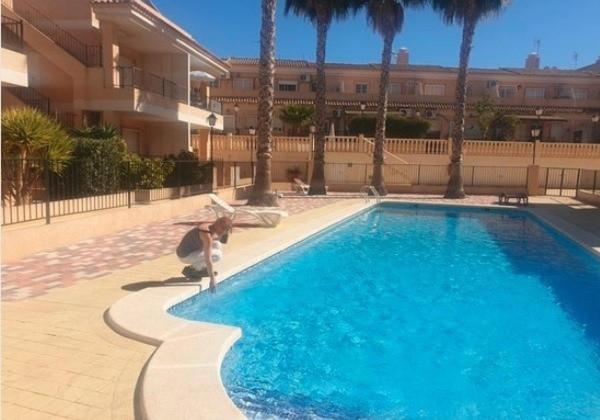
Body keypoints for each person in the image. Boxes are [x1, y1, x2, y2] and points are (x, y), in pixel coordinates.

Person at [176, 216, 232, 292]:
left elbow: (215, 240)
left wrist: (222, 234)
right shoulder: (206, 235)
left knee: (217, 244)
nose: (224, 232)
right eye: (224, 229)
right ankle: (192, 270)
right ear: (219, 226)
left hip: (190, 250)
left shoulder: (209, 226)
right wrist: (212, 279)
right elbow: (207, 258)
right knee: (217, 255)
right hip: (185, 255)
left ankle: (202, 269)